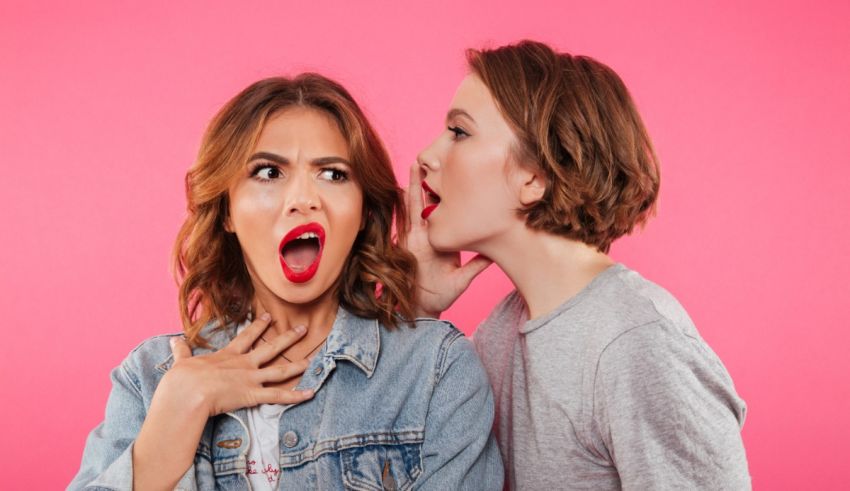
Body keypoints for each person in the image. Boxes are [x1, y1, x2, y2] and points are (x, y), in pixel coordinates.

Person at [70, 74, 502, 490]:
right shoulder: (150, 380)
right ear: (226, 212)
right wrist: (171, 424)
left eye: (332, 174)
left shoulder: (435, 373)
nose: (302, 200)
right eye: (268, 173)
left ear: (362, 213)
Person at [406, 40, 750, 489]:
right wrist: (418, 312)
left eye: (460, 132)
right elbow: (398, 455)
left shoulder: (638, 345)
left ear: (535, 176)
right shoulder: (500, 335)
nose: (428, 156)